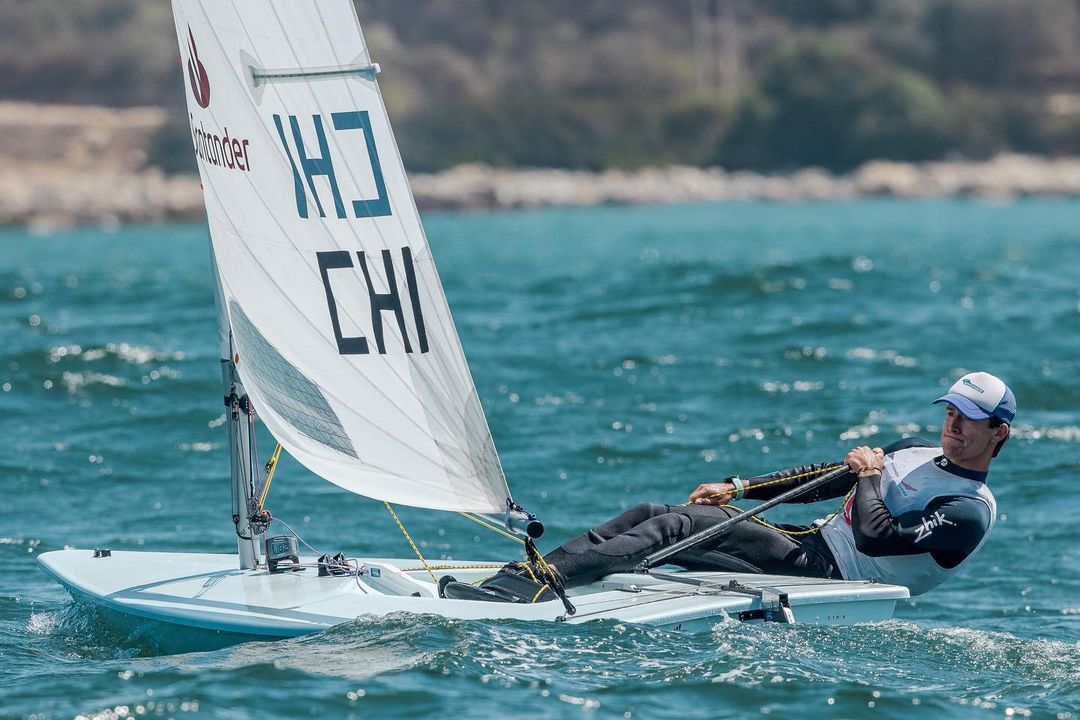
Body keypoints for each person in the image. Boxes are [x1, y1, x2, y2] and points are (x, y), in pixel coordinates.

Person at [444, 371, 1013, 603]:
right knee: (650, 511)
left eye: (968, 418)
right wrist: (739, 487)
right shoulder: (914, 450)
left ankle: (534, 588)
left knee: (680, 527)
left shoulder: (967, 511)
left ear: (998, 433)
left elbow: (876, 537)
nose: (953, 425)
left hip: (836, 576)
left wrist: (868, 475)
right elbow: (826, 478)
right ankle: (529, 575)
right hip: (806, 544)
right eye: (950, 412)